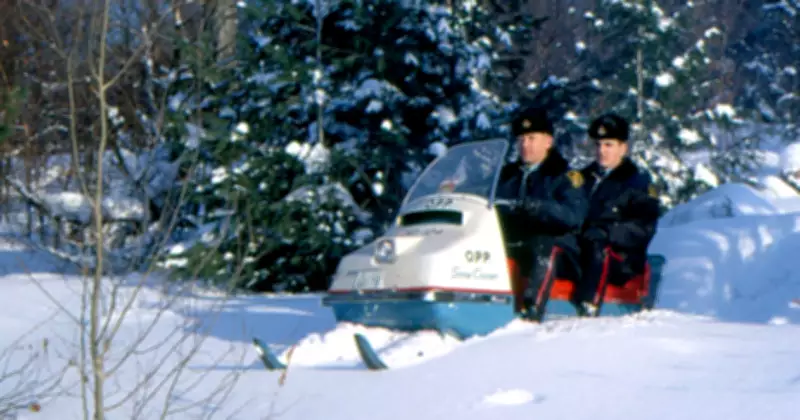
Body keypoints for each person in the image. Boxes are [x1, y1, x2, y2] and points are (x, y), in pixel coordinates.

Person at [495, 107, 587, 322]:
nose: (525, 145)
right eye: (521, 139)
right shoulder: (508, 176)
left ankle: (532, 307)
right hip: (518, 240)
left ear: (548, 141)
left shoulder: (563, 175)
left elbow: (574, 216)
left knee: (545, 245)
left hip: (559, 247)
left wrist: (541, 207)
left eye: (531, 138)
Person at [572, 113, 661, 316]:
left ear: (623, 148)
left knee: (598, 248)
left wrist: (607, 231)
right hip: (583, 248)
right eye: (598, 145)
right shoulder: (584, 178)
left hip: (620, 258)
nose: (602, 151)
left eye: (609, 145)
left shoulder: (637, 184)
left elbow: (644, 228)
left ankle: (588, 307)